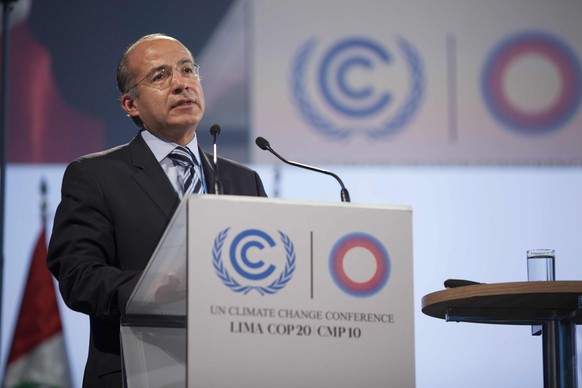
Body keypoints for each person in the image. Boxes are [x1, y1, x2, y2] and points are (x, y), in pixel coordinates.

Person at [47, 33, 267, 388]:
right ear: (130, 104)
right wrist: (154, 289)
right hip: (136, 372)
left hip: (229, 371)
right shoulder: (95, 175)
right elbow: (78, 277)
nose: (181, 84)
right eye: (160, 76)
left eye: (188, 70)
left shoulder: (245, 181)